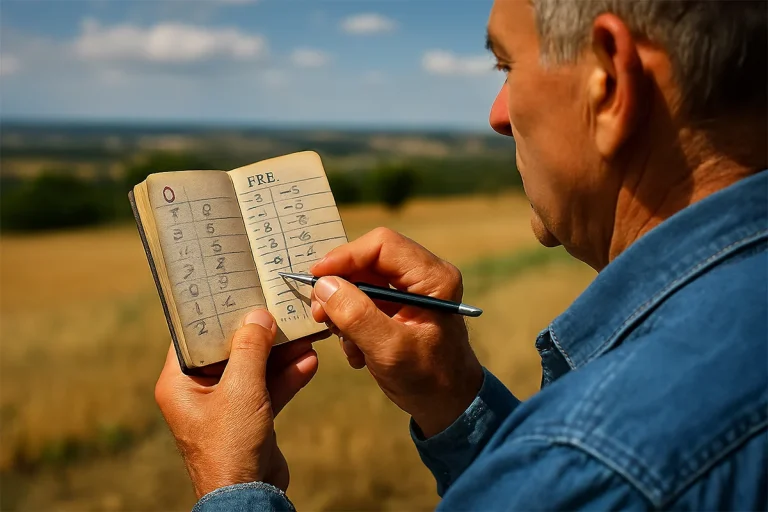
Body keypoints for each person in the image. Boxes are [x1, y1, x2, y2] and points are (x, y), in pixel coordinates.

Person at [154, 0, 768, 510]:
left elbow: (577, 480)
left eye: (507, 66)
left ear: (610, 83)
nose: (497, 116)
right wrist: (451, 399)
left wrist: (230, 484)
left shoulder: (596, 466)